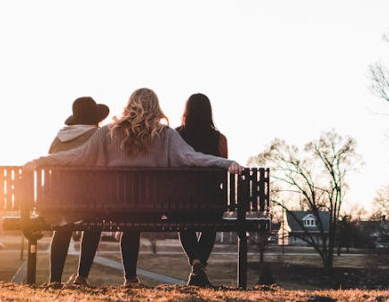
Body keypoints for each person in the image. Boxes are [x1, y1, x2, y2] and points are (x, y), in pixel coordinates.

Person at [24, 88, 242, 287]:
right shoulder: (166, 135)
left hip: (115, 210)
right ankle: (133, 279)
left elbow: (77, 156)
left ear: (129, 106)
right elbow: (193, 158)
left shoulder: (107, 133)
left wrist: (41, 161)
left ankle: (130, 279)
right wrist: (226, 163)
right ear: (156, 108)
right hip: (153, 211)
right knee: (137, 218)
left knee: (129, 221)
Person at [46, 96, 110, 286]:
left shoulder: (58, 137)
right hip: (88, 201)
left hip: (59, 200)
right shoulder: (99, 136)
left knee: (63, 226)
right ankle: (82, 277)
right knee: (94, 223)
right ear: (95, 118)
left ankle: (54, 279)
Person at [175, 93, 229, 287]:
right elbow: (223, 172)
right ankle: (199, 266)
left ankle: (196, 263)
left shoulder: (176, 136)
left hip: (182, 201)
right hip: (210, 201)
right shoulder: (219, 138)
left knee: (183, 223)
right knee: (210, 225)